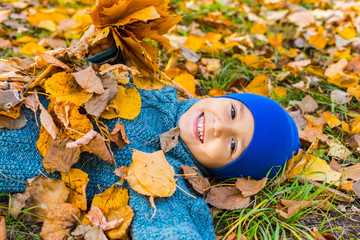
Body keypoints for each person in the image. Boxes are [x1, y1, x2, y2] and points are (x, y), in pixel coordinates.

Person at [0, 35, 300, 239]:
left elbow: (170, 224)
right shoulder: (155, 87)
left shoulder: (166, 176)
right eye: (234, 112)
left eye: (233, 145)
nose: (219, 127)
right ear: (226, 96)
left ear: (225, 172)